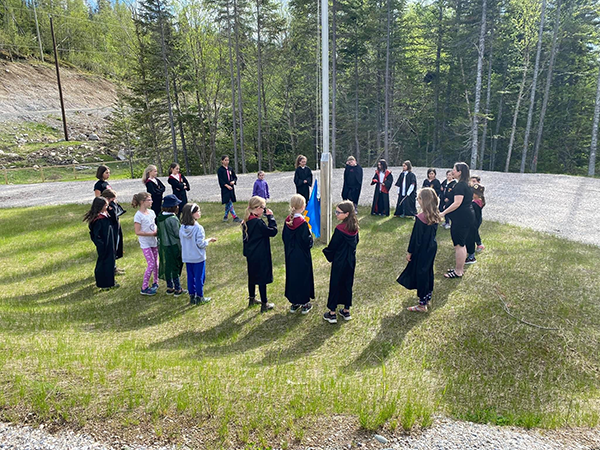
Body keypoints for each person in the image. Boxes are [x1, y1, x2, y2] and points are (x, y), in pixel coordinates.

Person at [398, 187, 442, 312]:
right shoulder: (434, 215)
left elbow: (415, 239)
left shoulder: (421, 218)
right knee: (428, 271)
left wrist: (410, 252)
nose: (417, 200)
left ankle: (422, 304)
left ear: (424, 200)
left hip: (422, 249)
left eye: (419, 198)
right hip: (431, 247)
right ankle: (427, 295)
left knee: (421, 273)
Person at [322, 200, 359, 324]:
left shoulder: (340, 229)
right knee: (348, 284)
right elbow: (356, 243)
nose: (336, 214)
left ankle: (332, 313)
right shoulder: (355, 227)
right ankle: (346, 310)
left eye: (338, 212)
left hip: (339, 261)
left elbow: (333, 246)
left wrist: (327, 252)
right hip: (350, 260)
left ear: (347, 214)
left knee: (335, 284)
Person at [242, 196, 277, 313]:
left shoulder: (246, 221)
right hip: (261, 254)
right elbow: (272, 232)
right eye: (263, 208)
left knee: (252, 276)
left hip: (251, 255)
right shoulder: (258, 222)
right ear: (257, 208)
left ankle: (251, 298)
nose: (264, 210)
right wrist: (271, 217)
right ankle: (264, 303)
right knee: (262, 278)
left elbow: (245, 240)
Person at [440, 162, 475, 279]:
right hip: (465, 218)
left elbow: (457, 203)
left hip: (461, 219)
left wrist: (443, 213)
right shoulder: (465, 184)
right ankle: (458, 267)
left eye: (454, 170)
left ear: (460, 172)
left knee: (459, 245)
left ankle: (458, 271)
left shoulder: (460, 186)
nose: (452, 171)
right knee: (461, 244)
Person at [282, 194, 314, 314]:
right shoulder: (302, 223)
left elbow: (284, 238)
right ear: (303, 206)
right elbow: (307, 242)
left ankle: (294, 302)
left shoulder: (288, 220)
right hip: (302, 256)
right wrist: (310, 234)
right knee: (303, 277)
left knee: (293, 276)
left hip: (290, 255)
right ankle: (305, 303)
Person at [180, 203, 217, 305]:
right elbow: (200, 244)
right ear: (192, 214)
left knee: (190, 277)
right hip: (198, 257)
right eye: (198, 211)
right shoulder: (198, 228)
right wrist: (209, 240)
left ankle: (192, 296)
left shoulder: (182, 227)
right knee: (200, 277)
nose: (200, 213)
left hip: (187, 256)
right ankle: (200, 296)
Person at [83, 196, 117, 289]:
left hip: (109, 242)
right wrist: (101, 244)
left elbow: (114, 222)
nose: (107, 207)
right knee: (104, 263)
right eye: (105, 205)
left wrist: (111, 212)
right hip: (104, 244)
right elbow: (96, 235)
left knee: (110, 262)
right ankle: (103, 283)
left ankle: (110, 281)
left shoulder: (105, 215)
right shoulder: (98, 219)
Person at [157, 194, 185, 296]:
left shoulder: (160, 216)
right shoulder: (173, 218)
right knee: (175, 267)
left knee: (167, 266)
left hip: (164, 245)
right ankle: (178, 288)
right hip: (174, 246)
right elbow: (177, 233)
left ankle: (170, 287)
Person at [132, 192, 159, 296]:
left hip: (153, 242)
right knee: (151, 264)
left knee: (156, 263)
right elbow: (137, 231)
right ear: (142, 202)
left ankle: (155, 282)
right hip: (145, 243)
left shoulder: (152, 212)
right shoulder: (138, 216)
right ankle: (144, 287)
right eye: (149, 200)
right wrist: (151, 234)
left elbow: (154, 224)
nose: (151, 202)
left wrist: (156, 231)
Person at [101, 188, 125, 274]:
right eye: (112, 199)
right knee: (113, 248)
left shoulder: (112, 204)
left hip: (116, 227)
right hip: (112, 228)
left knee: (116, 246)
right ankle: (112, 268)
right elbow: (114, 217)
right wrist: (111, 210)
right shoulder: (107, 206)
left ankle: (114, 266)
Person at [217, 155, 242, 223]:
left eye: (228, 160)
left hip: (231, 188)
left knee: (229, 202)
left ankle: (226, 216)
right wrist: (226, 185)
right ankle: (235, 216)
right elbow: (220, 180)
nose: (227, 161)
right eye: (225, 160)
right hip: (225, 188)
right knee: (228, 201)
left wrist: (233, 181)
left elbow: (235, 177)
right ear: (222, 161)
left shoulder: (230, 168)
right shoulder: (220, 170)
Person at [465, 183, 486, 264]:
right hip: (475, 222)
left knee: (470, 239)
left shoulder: (475, 204)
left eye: (473, 193)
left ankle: (471, 256)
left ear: (477, 194)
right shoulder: (478, 202)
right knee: (471, 237)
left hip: (473, 223)